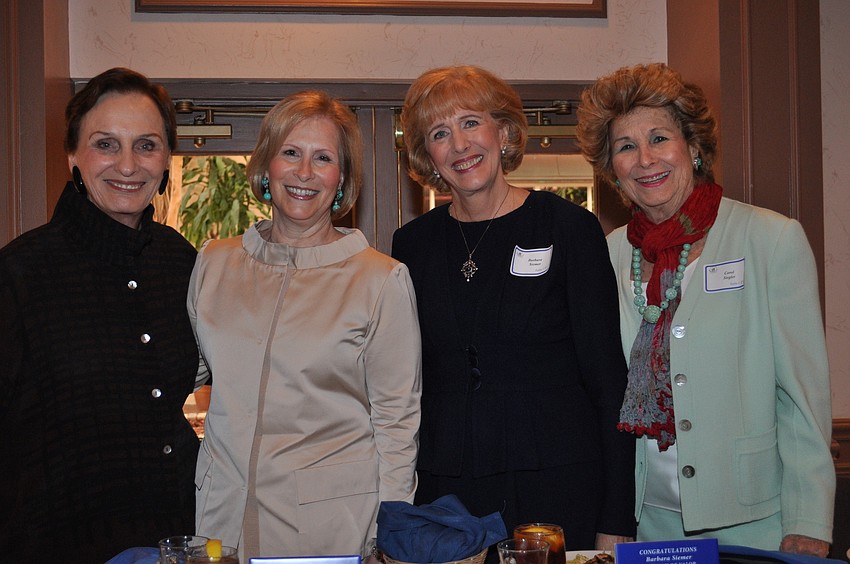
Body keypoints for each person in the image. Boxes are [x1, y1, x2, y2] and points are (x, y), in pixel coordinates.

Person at [576, 62, 835, 556]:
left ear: (693, 147)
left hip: (754, 522)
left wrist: (809, 520)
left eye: (659, 138)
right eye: (626, 147)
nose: (645, 159)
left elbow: (803, 400)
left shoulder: (770, 240)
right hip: (644, 523)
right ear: (613, 169)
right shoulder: (606, 255)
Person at [391, 65, 636, 552]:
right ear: (427, 155)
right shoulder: (411, 245)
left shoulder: (568, 228)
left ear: (503, 133)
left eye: (470, 122)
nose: (459, 144)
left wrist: (617, 517)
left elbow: (610, 383)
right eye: (440, 133)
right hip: (448, 493)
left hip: (557, 484)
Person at [190, 90, 422, 561]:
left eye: (323, 158)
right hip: (220, 518)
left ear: (342, 179)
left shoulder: (379, 279)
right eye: (291, 152)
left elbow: (397, 425)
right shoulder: (214, 263)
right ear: (266, 166)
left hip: (331, 527)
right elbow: (184, 373)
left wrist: (391, 535)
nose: (304, 172)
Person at [0, 67, 201, 562]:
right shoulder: (20, 273)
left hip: (176, 538)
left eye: (146, 145)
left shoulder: (181, 261)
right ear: (73, 155)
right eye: (106, 144)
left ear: (166, 160)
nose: (128, 165)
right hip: (59, 543)